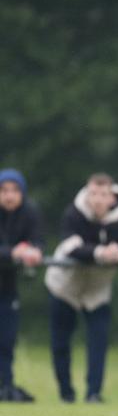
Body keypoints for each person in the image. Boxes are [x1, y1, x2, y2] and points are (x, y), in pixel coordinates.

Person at [45, 173, 118, 403]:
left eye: (103, 195)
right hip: (64, 288)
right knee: (60, 343)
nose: (97, 200)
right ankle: (66, 394)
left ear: (112, 197)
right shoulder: (74, 213)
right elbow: (70, 246)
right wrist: (100, 253)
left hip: (97, 291)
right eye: (93, 194)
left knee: (98, 343)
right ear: (87, 194)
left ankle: (93, 393)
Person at [0, 169, 43, 402]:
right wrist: (12, 253)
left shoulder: (29, 212)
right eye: (4, 190)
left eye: (14, 190)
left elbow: (38, 240)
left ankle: (5, 386)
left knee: (6, 339)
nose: (9, 195)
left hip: (7, 287)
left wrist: (34, 250)